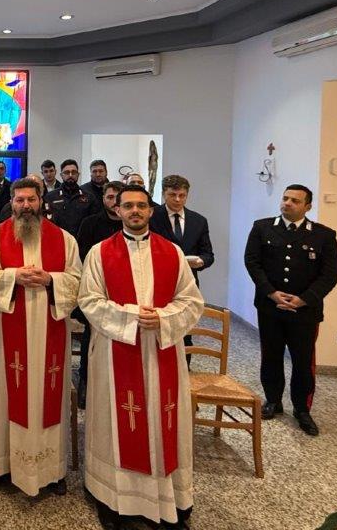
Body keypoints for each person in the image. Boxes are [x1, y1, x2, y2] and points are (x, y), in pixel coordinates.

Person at [79, 185, 204, 529]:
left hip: (161, 350)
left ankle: (166, 496)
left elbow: (191, 301)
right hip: (115, 350)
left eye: (141, 206)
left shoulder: (173, 252)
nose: (135, 211)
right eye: (128, 206)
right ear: (117, 211)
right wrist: (133, 316)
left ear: (151, 210)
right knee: (115, 423)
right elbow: (89, 300)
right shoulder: (99, 253)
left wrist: (162, 318)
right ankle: (113, 497)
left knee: (162, 422)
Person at [0, 178, 82, 497]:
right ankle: (1, 465)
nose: (25, 206)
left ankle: (52, 470)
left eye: (31, 200)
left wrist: (50, 279)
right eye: (20, 200)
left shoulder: (64, 240)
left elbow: (78, 282)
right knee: (3, 394)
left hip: (51, 331)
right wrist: (13, 276)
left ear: (41, 202)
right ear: (11, 202)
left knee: (49, 396)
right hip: (7, 331)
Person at [244, 184, 337, 437]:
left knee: (303, 361)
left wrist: (304, 299)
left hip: (304, 312)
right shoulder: (263, 228)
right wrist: (271, 292)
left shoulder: (323, 235)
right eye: (285, 198)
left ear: (307, 207)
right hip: (270, 306)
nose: (287, 203)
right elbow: (252, 262)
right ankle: (273, 400)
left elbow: (330, 274)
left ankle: (302, 408)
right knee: (271, 355)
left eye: (295, 201)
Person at [72, 180, 126, 407]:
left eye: (118, 198)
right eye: (110, 197)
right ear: (103, 199)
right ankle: (86, 383)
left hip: (126, 293)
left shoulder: (133, 227)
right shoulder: (90, 223)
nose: (114, 202)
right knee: (91, 340)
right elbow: (82, 257)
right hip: (97, 290)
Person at [149, 175, 214, 366]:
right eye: (173, 195)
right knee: (157, 330)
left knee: (185, 331)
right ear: (164, 194)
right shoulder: (152, 216)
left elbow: (208, 254)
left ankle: (184, 371)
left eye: (182, 195)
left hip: (187, 283)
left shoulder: (198, 221)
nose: (177, 200)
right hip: (157, 282)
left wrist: (201, 261)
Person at [45, 159, 98, 235]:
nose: (70, 175)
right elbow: (47, 223)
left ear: (78, 175)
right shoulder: (50, 197)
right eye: (67, 172)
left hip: (82, 240)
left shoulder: (89, 197)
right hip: (59, 239)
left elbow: (94, 224)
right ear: (61, 175)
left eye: (73, 172)